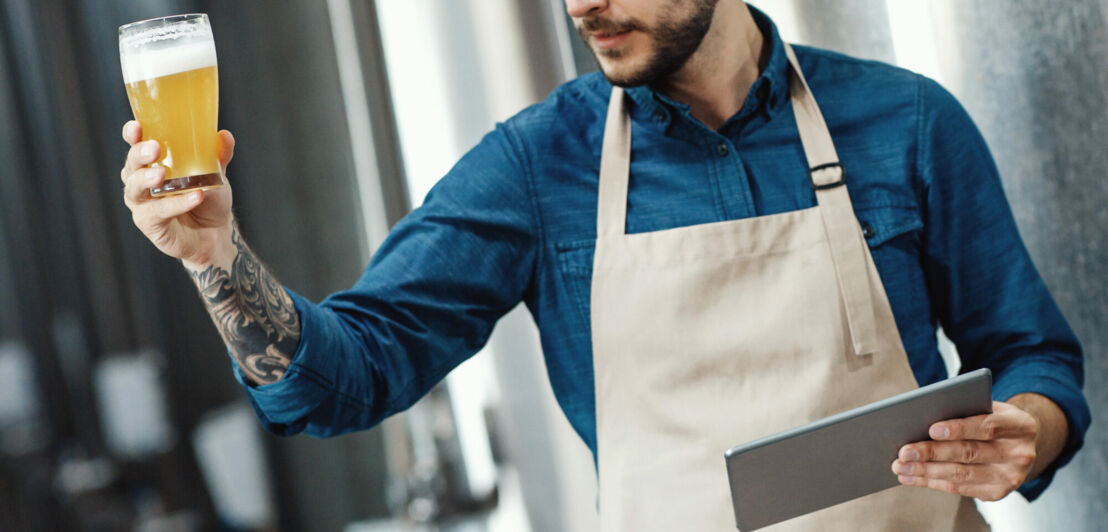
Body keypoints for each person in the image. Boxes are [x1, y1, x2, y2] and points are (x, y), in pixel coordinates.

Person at [120, 1, 1089, 529]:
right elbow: (340, 382)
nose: (583, 3)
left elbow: (1032, 354)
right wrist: (216, 257)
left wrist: (1026, 434)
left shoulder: (906, 122)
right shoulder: (539, 165)